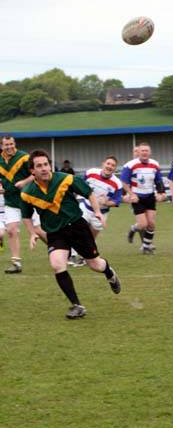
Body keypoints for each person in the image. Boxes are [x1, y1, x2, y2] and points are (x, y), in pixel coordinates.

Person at [21, 149, 121, 319]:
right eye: (39, 166)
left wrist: (97, 211)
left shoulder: (65, 179)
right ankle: (77, 305)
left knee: (95, 265)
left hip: (76, 227)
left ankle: (109, 273)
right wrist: (32, 233)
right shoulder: (27, 193)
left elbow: (88, 193)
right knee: (57, 264)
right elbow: (26, 215)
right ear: (32, 171)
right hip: (55, 232)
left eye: (46, 164)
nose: (44, 168)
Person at [0, 135, 44, 273]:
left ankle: (62, 250)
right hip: (11, 201)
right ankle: (16, 263)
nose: (9, 147)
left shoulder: (24, 157)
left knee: (38, 231)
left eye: (11, 144)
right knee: (11, 230)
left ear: (15, 143)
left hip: (29, 198)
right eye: (6, 144)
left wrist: (24, 182)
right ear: (2, 146)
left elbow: (35, 174)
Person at [120, 142, 166, 254]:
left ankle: (146, 247)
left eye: (146, 150)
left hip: (150, 197)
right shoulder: (130, 165)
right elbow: (124, 182)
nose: (144, 153)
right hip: (137, 198)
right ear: (138, 152)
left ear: (150, 152)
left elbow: (158, 180)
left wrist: (161, 193)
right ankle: (133, 229)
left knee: (151, 224)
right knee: (143, 224)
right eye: (142, 150)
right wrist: (131, 194)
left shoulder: (155, 164)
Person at [78, 155, 123, 239]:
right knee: (78, 229)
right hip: (85, 208)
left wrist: (106, 202)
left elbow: (117, 201)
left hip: (101, 213)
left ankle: (88, 249)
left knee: (90, 239)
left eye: (113, 165)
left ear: (115, 169)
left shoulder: (117, 183)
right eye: (108, 163)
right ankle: (72, 251)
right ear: (103, 164)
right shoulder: (91, 172)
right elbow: (80, 185)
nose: (110, 166)